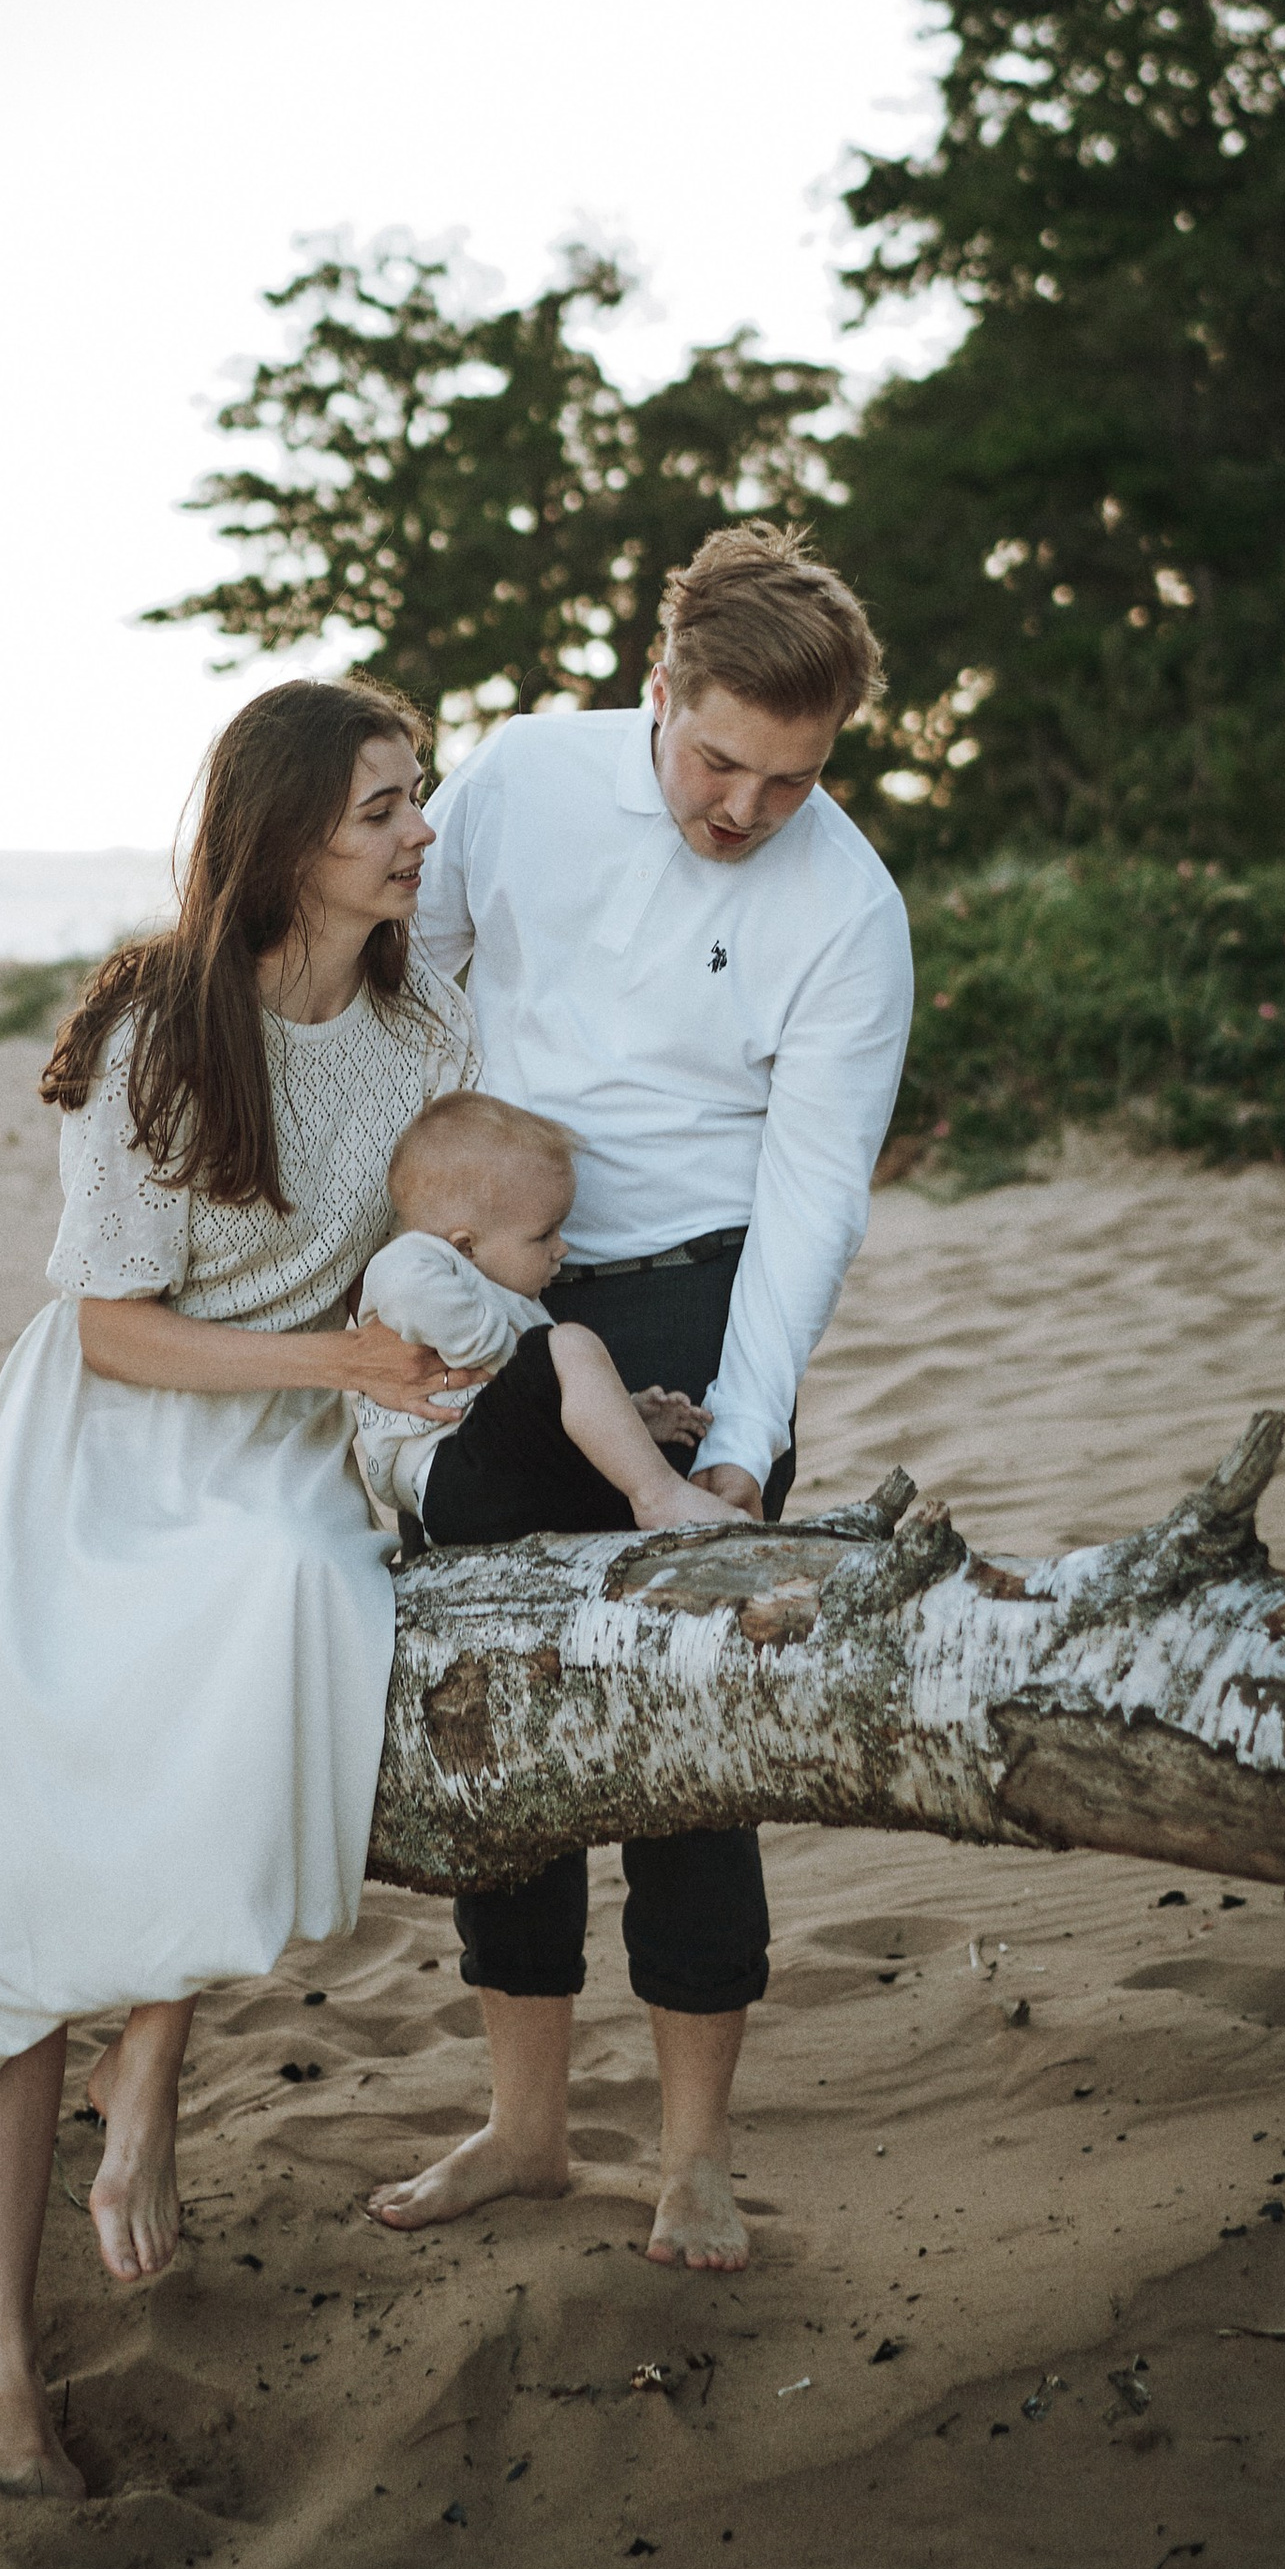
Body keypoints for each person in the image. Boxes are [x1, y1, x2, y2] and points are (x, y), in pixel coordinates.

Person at [0, 677, 478, 2497]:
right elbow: (110, 1331)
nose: (421, 831)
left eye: (419, 797)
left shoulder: (426, 1027)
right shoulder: (156, 1035)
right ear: (283, 844)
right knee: (29, 1866)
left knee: (283, 1587)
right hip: (111, 1444)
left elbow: (454, 1252)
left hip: (278, 1457)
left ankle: (156, 2067)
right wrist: (332, 1366)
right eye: (383, 809)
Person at [370, 524, 912, 2273]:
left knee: (688, 1735)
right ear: (656, 684)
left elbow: (817, 1192)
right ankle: (527, 2127)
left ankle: (692, 2158)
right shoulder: (523, 776)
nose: (744, 808)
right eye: (717, 758)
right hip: (488, 1283)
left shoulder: (847, 906)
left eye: (790, 778)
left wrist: (746, 1444)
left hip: (692, 1291)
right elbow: (410, 984)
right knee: (494, 1706)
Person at [349, 1089, 742, 1544]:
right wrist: (498, 1347)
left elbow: (548, 1403)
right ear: (465, 1246)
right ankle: (662, 1497)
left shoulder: (508, 1295)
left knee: (605, 1484)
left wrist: (628, 1414)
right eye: (543, 1236)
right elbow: (403, 1287)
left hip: (504, 1480)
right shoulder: (419, 1257)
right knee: (569, 1345)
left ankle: (659, 1496)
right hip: (452, 1474)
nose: (562, 1247)